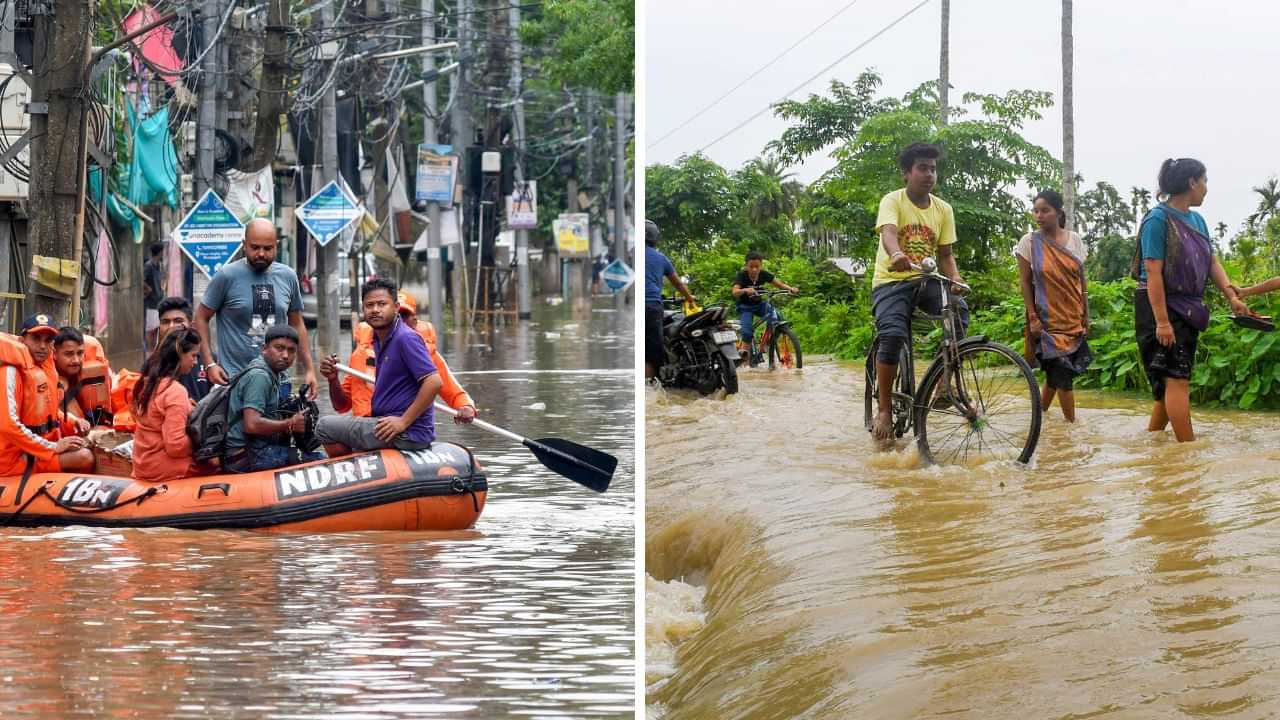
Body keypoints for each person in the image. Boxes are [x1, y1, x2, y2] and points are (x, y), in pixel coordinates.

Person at [1133, 158, 1250, 442]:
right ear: (1191, 183)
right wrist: (1162, 322)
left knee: (1169, 382)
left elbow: (1211, 262)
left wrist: (1231, 295)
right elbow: (1153, 271)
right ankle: (1188, 453)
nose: (1206, 189)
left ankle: (1152, 446)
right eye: (1205, 181)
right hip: (1159, 306)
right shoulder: (1157, 220)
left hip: (1188, 307)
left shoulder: (1197, 221)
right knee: (1177, 378)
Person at [870, 142, 969, 441]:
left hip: (927, 281)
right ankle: (885, 408)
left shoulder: (943, 209)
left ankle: (944, 385)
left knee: (959, 312)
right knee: (892, 336)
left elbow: (946, 254)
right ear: (907, 173)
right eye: (922, 168)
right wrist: (897, 253)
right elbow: (888, 233)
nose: (929, 174)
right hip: (892, 280)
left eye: (933, 169)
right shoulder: (893, 200)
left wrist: (956, 279)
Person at [317, 279, 442, 456]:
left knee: (324, 427)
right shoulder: (377, 340)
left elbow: (434, 382)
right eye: (369, 305)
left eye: (382, 304)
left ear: (396, 307)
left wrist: (403, 422)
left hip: (405, 432)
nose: (375, 310)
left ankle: (352, 476)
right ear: (363, 309)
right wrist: (332, 379)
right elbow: (342, 405)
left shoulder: (405, 338)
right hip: (383, 424)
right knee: (336, 426)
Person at [194, 218, 317, 396]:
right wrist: (210, 364)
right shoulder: (226, 276)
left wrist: (309, 369)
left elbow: (297, 324)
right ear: (244, 245)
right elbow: (201, 318)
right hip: (235, 380)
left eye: (268, 248)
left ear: (276, 245)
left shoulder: (288, 277)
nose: (261, 254)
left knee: (280, 423)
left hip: (278, 381)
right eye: (255, 247)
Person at [1016, 190, 1092, 422]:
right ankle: (1073, 430)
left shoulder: (1074, 240)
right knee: (1064, 377)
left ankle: (1039, 418)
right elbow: (1025, 283)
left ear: (1058, 212)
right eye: (1036, 211)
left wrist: (1086, 315)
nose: (1039, 216)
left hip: (1072, 317)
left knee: (1054, 376)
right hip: (1045, 321)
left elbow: (1082, 281)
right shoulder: (1028, 243)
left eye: (1045, 210)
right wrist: (1032, 317)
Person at [0, 315, 93, 477]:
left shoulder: (45, 368)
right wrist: (53, 447)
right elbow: (9, 426)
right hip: (13, 460)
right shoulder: (10, 372)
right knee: (85, 457)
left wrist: (73, 421)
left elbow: (46, 412)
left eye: (48, 340)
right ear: (22, 341)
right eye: (36, 339)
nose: (42, 346)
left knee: (89, 444)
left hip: (38, 449)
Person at [224, 325, 325, 473]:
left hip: (257, 448)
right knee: (319, 460)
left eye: (291, 350)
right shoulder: (260, 376)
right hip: (246, 455)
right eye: (279, 348)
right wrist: (290, 423)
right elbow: (251, 425)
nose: (285, 355)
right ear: (264, 349)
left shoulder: (275, 374)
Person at [131, 328, 203, 482]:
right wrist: (200, 442)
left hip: (142, 465)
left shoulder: (148, 383)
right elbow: (176, 446)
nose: (196, 362)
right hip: (164, 468)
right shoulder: (175, 392)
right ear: (180, 354)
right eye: (194, 356)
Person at [644, 220, 696, 380]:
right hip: (652, 306)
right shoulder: (661, 258)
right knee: (652, 353)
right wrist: (690, 299)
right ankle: (650, 385)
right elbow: (678, 283)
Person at [731, 251, 799, 362]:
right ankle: (744, 360)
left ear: (761, 266)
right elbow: (735, 291)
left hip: (759, 305)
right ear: (746, 266)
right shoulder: (742, 276)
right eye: (751, 267)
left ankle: (769, 341)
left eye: (757, 267)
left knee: (776, 316)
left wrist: (790, 289)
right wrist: (745, 290)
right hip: (745, 307)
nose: (754, 269)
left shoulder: (764, 274)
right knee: (747, 332)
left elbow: (779, 284)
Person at [50, 327, 111, 432]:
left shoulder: (94, 369)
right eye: (68, 354)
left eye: (80, 353)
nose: (76, 360)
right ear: (54, 354)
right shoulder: (50, 380)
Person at [156, 296, 211, 402]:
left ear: (191, 325)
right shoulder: (153, 364)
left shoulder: (208, 361)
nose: (171, 326)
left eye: (178, 321)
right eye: (165, 322)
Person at [143, 242, 164, 351]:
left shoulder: (157, 266)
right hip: (151, 302)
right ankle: (150, 351)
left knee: (156, 329)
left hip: (158, 301)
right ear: (160, 252)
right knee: (150, 329)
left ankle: (153, 350)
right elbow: (142, 280)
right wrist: (148, 289)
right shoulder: (149, 265)